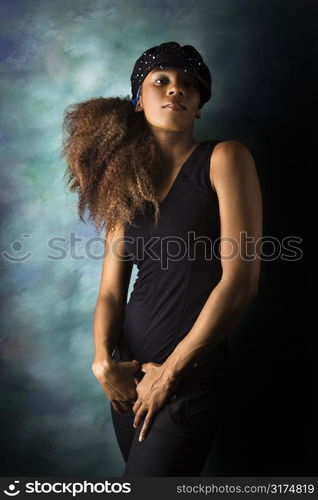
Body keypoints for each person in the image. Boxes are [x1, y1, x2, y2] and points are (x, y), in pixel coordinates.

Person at [61, 41, 262, 476]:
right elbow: (112, 293)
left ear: (199, 107)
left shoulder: (224, 158)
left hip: (187, 376)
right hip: (129, 381)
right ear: (138, 100)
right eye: (162, 81)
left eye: (190, 85)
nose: (177, 90)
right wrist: (103, 362)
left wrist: (169, 374)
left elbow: (240, 281)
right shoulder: (126, 185)